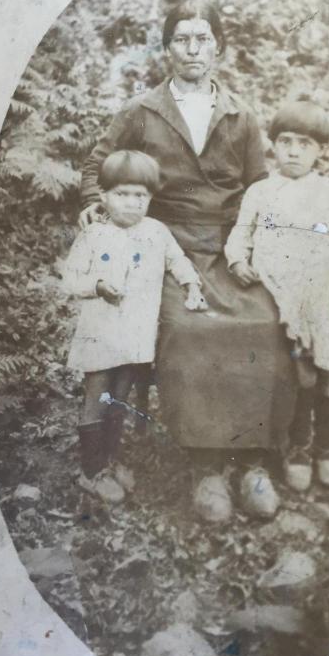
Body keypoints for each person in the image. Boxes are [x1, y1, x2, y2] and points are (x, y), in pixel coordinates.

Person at [79, 0, 297, 519]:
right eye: (182, 39)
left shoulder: (240, 116)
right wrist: (95, 204)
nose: (193, 49)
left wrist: (262, 245)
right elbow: (96, 166)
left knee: (265, 322)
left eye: (203, 38)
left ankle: (254, 461)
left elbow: (260, 189)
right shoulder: (143, 110)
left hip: (230, 246)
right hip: (164, 245)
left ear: (218, 46)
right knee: (189, 328)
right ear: (167, 48)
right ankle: (207, 467)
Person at [224, 100, 329, 492]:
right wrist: (237, 260)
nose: (294, 151)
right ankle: (299, 446)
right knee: (300, 374)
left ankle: (328, 445)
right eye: (286, 141)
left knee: (327, 371)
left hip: (323, 296)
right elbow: (241, 233)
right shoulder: (261, 192)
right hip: (280, 298)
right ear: (273, 144)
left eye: (305, 144)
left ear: (320, 150)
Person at [64, 150, 207, 504]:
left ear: (151, 197)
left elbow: (177, 260)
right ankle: (91, 471)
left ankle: (110, 460)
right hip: (100, 335)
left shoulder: (156, 232)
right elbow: (70, 280)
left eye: (140, 195)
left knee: (119, 399)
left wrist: (191, 284)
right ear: (103, 195)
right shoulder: (94, 235)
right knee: (97, 397)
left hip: (135, 335)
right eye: (122, 194)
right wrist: (97, 286)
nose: (131, 203)